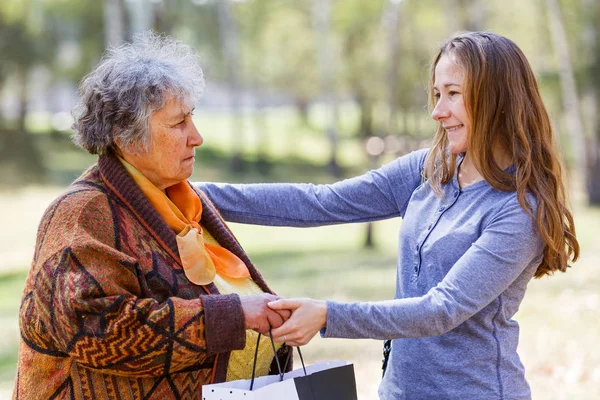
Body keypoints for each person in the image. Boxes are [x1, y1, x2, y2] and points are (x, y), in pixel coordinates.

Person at [195, 31, 580, 399]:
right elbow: (322, 201)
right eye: (435, 93)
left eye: (453, 95)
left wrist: (328, 315)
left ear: (495, 99)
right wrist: (197, 195)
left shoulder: (518, 210)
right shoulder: (428, 170)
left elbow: (441, 309)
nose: (437, 111)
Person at [14, 32, 292, 399]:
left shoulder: (182, 200)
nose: (197, 137)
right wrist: (234, 315)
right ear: (126, 137)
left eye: (191, 118)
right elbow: (100, 331)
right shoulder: (81, 214)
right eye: (179, 124)